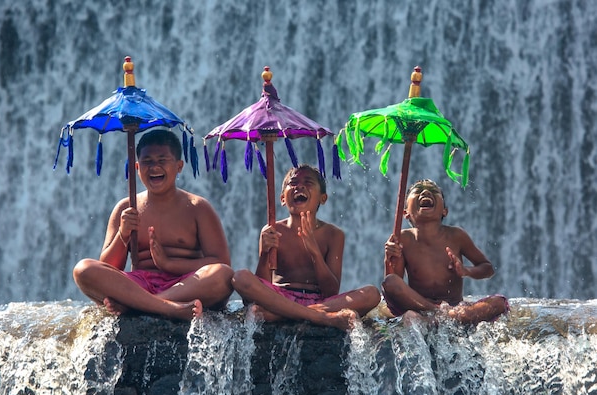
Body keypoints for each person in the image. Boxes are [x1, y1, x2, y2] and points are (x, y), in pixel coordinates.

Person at [73, 129, 234, 320]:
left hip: (186, 285)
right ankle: (166, 308)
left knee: (222, 275)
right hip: (139, 284)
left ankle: (143, 304)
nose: (154, 167)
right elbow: (108, 266)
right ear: (137, 167)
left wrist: (169, 264)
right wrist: (123, 234)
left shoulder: (197, 207)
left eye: (162, 160)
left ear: (179, 166)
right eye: (147, 161)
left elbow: (221, 262)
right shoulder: (126, 207)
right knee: (83, 269)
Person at [232, 164, 381, 331]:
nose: (300, 186)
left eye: (308, 182)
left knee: (372, 294)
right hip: (278, 297)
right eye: (293, 182)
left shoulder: (333, 234)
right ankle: (319, 317)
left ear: (322, 198)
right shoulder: (273, 230)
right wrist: (265, 253)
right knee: (240, 277)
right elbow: (262, 283)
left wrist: (315, 252)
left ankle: (285, 314)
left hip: (321, 302)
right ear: (282, 198)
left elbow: (331, 290)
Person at [382, 179, 509, 325]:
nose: (425, 192)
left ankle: (443, 317)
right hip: (420, 306)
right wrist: (389, 259)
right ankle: (439, 314)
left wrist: (466, 271)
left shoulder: (456, 236)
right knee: (390, 282)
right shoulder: (403, 238)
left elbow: (488, 268)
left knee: (499, 302)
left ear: (444, 211)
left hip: (455, 307)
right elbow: (393, 287)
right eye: (418, 190)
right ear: (406, 213)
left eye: (434, 191)